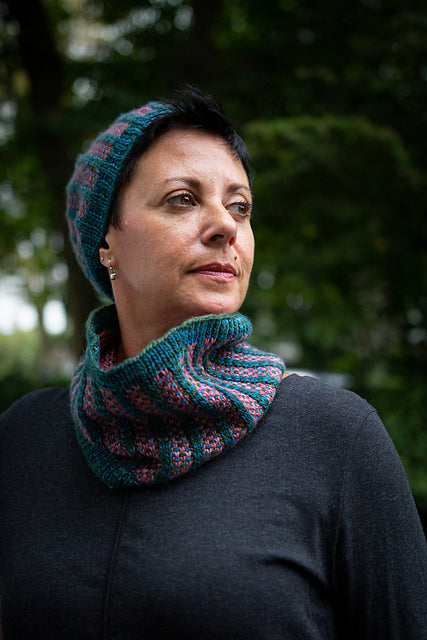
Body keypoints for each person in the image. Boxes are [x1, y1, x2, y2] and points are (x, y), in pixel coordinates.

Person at [0, 87, 426, 640]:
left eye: (240, 206)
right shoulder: (23, 439)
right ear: (107, 240)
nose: (226, 225)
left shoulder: (335, 437)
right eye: (182, 199)